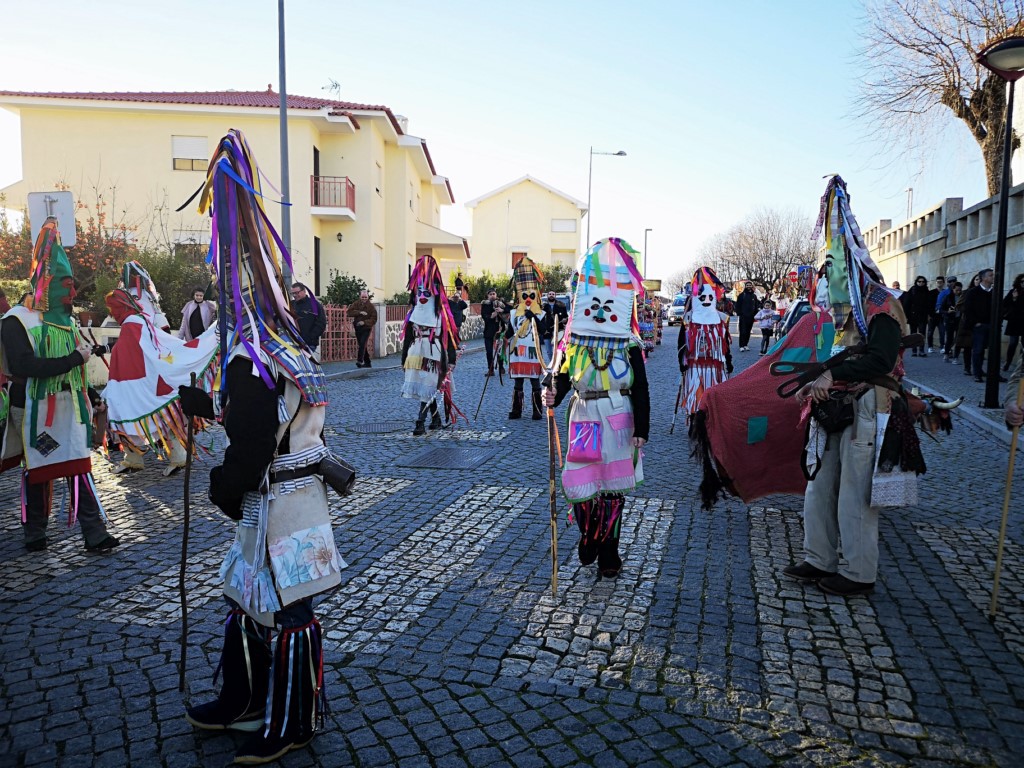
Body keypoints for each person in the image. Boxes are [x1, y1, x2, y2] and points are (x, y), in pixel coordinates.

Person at [179, 130, 341, 764]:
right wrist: (199, 406)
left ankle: (294, 721)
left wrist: (223, 487)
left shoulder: (256, 362)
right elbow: (251, 417)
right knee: (249, 598)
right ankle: (245, 701)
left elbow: (249, 446)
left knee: (291, 610)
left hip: (280, 503)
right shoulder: (283, 354)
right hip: (287, 502)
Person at [784, 176, 917, 598]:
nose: (830, 277)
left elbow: (879, 360)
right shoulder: (847, 313)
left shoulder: (880, 304)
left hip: (868, 408)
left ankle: (858, 572)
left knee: (856, 495)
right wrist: (821, 381)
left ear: (852, 266)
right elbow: (838, 358)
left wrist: (832, 376)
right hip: (838, 409)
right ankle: (818, 557)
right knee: (820, 485)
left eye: (835, 267)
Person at [0, 219, 118, 553]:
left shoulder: (62, 321)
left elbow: (74, 364)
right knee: (38, 466)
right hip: (32, 406)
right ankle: (34, 531)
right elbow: (24, 366)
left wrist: (92, 396)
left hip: (71, 405)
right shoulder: (17, 321)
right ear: (47, 285)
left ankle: (95, 534)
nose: (72, 294)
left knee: (78, 465)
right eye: (65, 286)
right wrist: (75, 361)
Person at [543, 237, 649, 579]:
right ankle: (590, 534)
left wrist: (642, 429)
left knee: (613, 492)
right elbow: (560, 379)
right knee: (581, 486)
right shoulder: (572, 342)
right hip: (585, 416)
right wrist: (551, 396)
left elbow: (642, 386)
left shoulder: (629, 343)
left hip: (618, 416)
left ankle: (609, 554)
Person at [102, 287, 218, 476]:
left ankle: (146, 458)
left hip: (139, 382)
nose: (112, 313)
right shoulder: (138, 322)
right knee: (159, 416)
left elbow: (134, 350)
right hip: (138, 381)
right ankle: (143, 458)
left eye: (113, 308)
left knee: (130, 413)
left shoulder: (132, 323)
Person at [401, 255, 459, 435]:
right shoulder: (412, 314)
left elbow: (449, 338)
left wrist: (451, 359)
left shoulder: (441, 315)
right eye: (420, 293)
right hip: (416, 354)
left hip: (434, 354)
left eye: (428, 293)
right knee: (427, 388)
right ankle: (436, 419)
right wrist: (404, 359)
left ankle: (420, 422)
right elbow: (408, 337)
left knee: (428, 385)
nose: (424, 297)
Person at [678, 266, 733, 416]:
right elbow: (682, 343)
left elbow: (725, 343)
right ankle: (696, 422)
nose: (707, 301)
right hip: (694, 366)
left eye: (710, 297)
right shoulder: (689, 320)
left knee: (712, 399)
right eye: (702, 298)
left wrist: (728, 360)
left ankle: (711, 423)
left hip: (715, 367)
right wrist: (681, 362)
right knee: (696, 397)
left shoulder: (720, 320)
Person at [506, 257, 549, 420]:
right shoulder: (513, 313)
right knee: (518, 383)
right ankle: (516, 410)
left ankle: (537, 410)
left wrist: (534, 318)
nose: (528, 298)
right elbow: (511, 331)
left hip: (533, 352)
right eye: (525, 295)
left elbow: (544, 330)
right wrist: (502, 336)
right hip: (517, 352)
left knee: (534, 382)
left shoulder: (541, 313)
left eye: (531, 294)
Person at [964, 268, 1004, 383]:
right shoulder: (973, 292)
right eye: (991, 275)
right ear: (984, 278)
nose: (993, 277)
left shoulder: (995, 291)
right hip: (979, 326)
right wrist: (975, 323)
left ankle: (994, 374)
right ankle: (977, 373)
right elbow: (968, 309)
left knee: (995, 351)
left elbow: (1000, 308)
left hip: (993, 326)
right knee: (978, 350)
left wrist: (998, 322)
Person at [290, 282, 327, 352]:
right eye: (293, 293)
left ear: (304, 291)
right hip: (293, 342)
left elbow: (321, 323)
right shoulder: (291, 304)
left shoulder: (315, 305)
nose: (295, 295)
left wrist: (310, 338)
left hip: (309, 344)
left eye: (297, 293)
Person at [348, 289, 378, 368]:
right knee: (362, 345)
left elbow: (374, 319)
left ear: (368, 297)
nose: (364, 298)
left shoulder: (371, 307)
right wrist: (359, 312)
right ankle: (368, 363)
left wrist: (364, 322)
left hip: (366, 328)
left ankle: (360, 360)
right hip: (357, 327)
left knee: (362, 343)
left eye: (365, 297)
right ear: (360, 296)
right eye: (362, 297)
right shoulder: (356, 304)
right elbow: (349, 312)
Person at [480, 288, 507, 376]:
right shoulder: (485, 305)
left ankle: (501, 366)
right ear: (488, 296)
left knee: (499, 350)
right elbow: (484, 317)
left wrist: (502, 311)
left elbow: (509, 310)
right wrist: (492, 315)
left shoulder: (501, 304)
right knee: (489, 352)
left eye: (494, 294)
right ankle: (490, 369)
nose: (492, 295)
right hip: (488, 332)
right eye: (490, 294)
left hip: (499, 331)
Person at [1002, 273, 1024, 372]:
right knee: (1013, 343)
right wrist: (1014, 298)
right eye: (1022, 281)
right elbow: (1005, 304)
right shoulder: (1013, 292)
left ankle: (1021, 365)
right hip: (1014, 321)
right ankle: (1007, 362)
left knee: (1023, 345)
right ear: (1019, 282)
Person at [906, 275, 931, 356]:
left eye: (923, 282)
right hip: (913, 316)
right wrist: (907, 315)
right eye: (919, 281)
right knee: (913, 333)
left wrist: (929, 314)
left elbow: (929, 304)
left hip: (923, 316)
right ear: (916, 282)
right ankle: (914, 350)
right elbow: (907, 303)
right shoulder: (912, 290)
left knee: (922, 333)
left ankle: (921, 350)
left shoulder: (926, 291)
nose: (921, 283)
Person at [541, 290, 568, 363]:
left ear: (555, 296)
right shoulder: (543, 306)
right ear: (547, 296)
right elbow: (540, 319)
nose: (551, 295)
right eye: (550, 294)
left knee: (558, 349)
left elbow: (566, 317)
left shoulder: (561, 305)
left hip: (558, 330)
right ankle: (552, 364)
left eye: (553, 294)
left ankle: (558, 364)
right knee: (549, 351)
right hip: (547, 331)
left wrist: (565, 320)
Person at [735, 281, 760, 351]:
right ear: (745, 286)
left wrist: (755, 314)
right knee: (743, 331)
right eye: (747, 285)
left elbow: (756, 306)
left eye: (750, 285)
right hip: (743, 316)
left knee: (748, 331)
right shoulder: (741, 295)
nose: (749, 286)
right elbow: (737, 305)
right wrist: (739, 313)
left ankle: (746, 344)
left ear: (752, 286)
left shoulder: (754, 296)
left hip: (751, 317)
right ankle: (741, 346)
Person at [940, 281, 961, 361]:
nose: (958, 292)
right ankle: (946, 353)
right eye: (956, 290)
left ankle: (956, 355)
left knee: (958, 338)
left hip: (959, 320)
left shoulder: (962, 296)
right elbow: (941, 309)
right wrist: (948, 312)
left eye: (960, 290)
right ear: (953, 289)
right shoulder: (948, 297)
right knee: (949, 338)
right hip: (950, 320)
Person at [930, 276, 950, 354]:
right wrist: (930, 314)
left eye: (941, 282)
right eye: (938, 282)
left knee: (942, 332)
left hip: (942, 316)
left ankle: (942, 346)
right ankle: (930, 346)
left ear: (943, 283)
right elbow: (929, 304)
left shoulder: (946, 292)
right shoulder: (932, 292)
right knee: (930, 332)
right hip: (933, 315)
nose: (939, 284)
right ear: (936, 283)